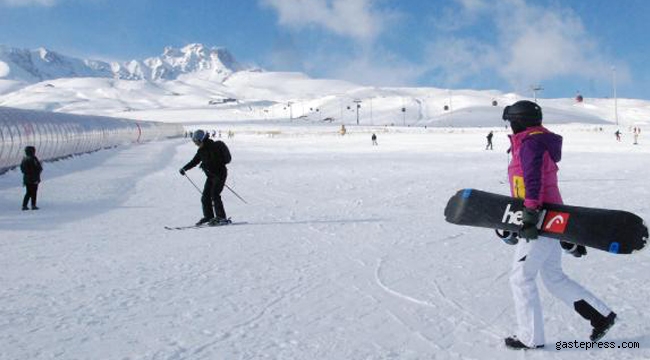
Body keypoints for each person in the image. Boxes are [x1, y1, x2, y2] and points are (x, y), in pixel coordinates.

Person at [501, 100, 616, 350]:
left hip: (540, 218)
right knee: (553, 277)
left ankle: (530, 338)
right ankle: (600, 316)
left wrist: (530, 213)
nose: (509, 125)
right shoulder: (533, 141)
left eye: (511, 120)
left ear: (519, 120)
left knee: (521, 278)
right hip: (548, 217)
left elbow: (533, 180)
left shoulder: (531, 143)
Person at [179, 130, 232, 226]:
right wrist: (184, 168)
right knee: (205, 197)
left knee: (215, 194)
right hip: (211, 176)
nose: (196, 144)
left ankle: (221, 217)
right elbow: (194, 161)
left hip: (219, 174)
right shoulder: (201, 151)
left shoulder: (215, 147)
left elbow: (222, 160)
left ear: (201, 140)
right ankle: (209, 216)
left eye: (196, 142)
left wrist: (209, 165)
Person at [20, 146, 43, 211]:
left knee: (28, 192)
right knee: (34, 192)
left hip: (27, 179)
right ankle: (33, 205)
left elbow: (22, 169)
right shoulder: (33, 159)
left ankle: (24, 205)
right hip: (34, 178)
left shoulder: (24, 159)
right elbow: (38, 168)